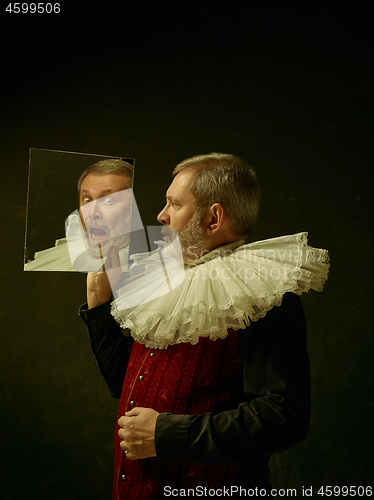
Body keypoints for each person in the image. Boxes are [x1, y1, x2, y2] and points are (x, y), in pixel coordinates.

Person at [79, 153, 329, 499]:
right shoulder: (164, 280)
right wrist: (99, 306)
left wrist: (167, 434)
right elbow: (126, 386)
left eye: (174, 204)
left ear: (213, 218)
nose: (160, 216)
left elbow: (283, 417)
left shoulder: (265, 294)